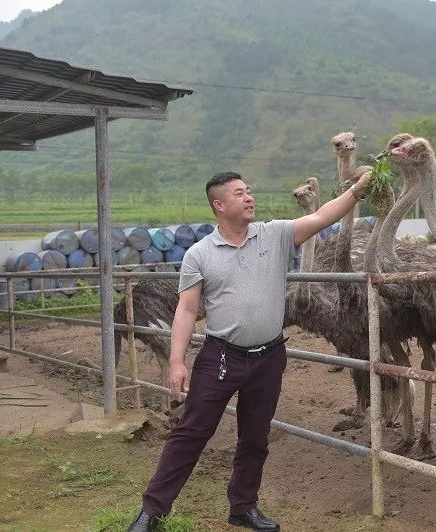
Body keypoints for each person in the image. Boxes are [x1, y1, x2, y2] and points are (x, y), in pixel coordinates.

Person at [128, 169, 373, 532]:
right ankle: (152, 512)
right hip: (220, 357)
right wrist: (177, 361)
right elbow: (187, 310)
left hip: (268, 357)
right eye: (240, 193)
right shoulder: (200, 254)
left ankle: (243, 507)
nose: (249, 197)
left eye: (249, 191)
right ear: (219, 204)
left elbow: (323, 217)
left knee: (255, 436)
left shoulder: (274, 235)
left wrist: (357, 190)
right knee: (191, 433)